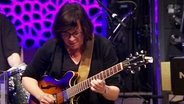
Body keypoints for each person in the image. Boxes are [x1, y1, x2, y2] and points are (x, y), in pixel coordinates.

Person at [22, 2, 120, 104]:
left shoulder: (103, 46)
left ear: (84, 29)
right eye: (65, 34)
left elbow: (115, 93)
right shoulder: (53, 45)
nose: (71, 39)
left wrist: (104, 89)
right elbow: (27, 77)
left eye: (76, 33)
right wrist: (41, 95)